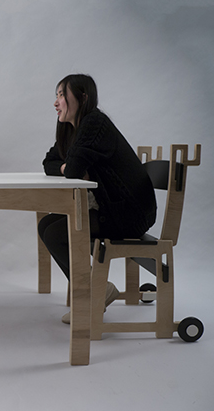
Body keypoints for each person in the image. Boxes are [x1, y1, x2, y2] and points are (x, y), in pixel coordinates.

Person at [38, 74, 156, 324]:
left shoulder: (94, 123)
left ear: (82, 98)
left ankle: (94, 292)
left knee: (55, 233)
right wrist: (67, 167)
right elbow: (49, 163)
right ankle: (97, 288)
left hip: (129, 214)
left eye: (62, 95)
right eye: (56, 96)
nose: (56, 102)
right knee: (46, 225)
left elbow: (73, 170)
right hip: (111, 208)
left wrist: (70, 168)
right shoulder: (73, 130)